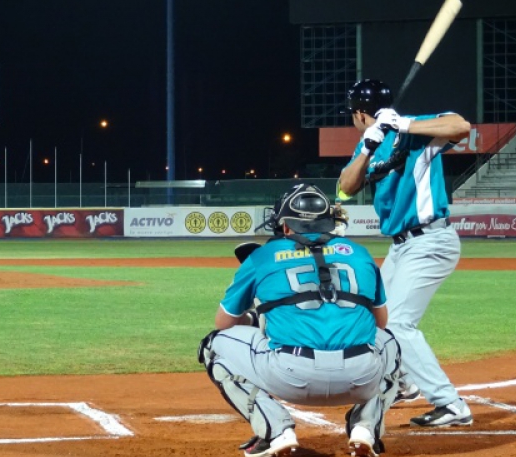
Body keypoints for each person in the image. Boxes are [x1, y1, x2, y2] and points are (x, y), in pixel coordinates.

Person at [198, 183, 401, 457]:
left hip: (291, 376)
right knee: (391, 342)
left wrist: (258, 319)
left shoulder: (262, 255)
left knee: (213, 345)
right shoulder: (359, 252)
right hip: (361, 376)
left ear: (286, 226)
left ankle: (275, 431)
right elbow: (381, 322)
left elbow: (224, 323)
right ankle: (366, 427)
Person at [337, 79, 473, 427]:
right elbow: (347, 187)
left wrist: (402, 124)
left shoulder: (415, 132)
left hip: (430, 241)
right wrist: (368, 147)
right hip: (400, 247)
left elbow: (461, 126)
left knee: (398, 322)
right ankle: (404, 383)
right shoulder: (370, 142)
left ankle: (451, 404)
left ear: (359, 113)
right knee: (370, 315)